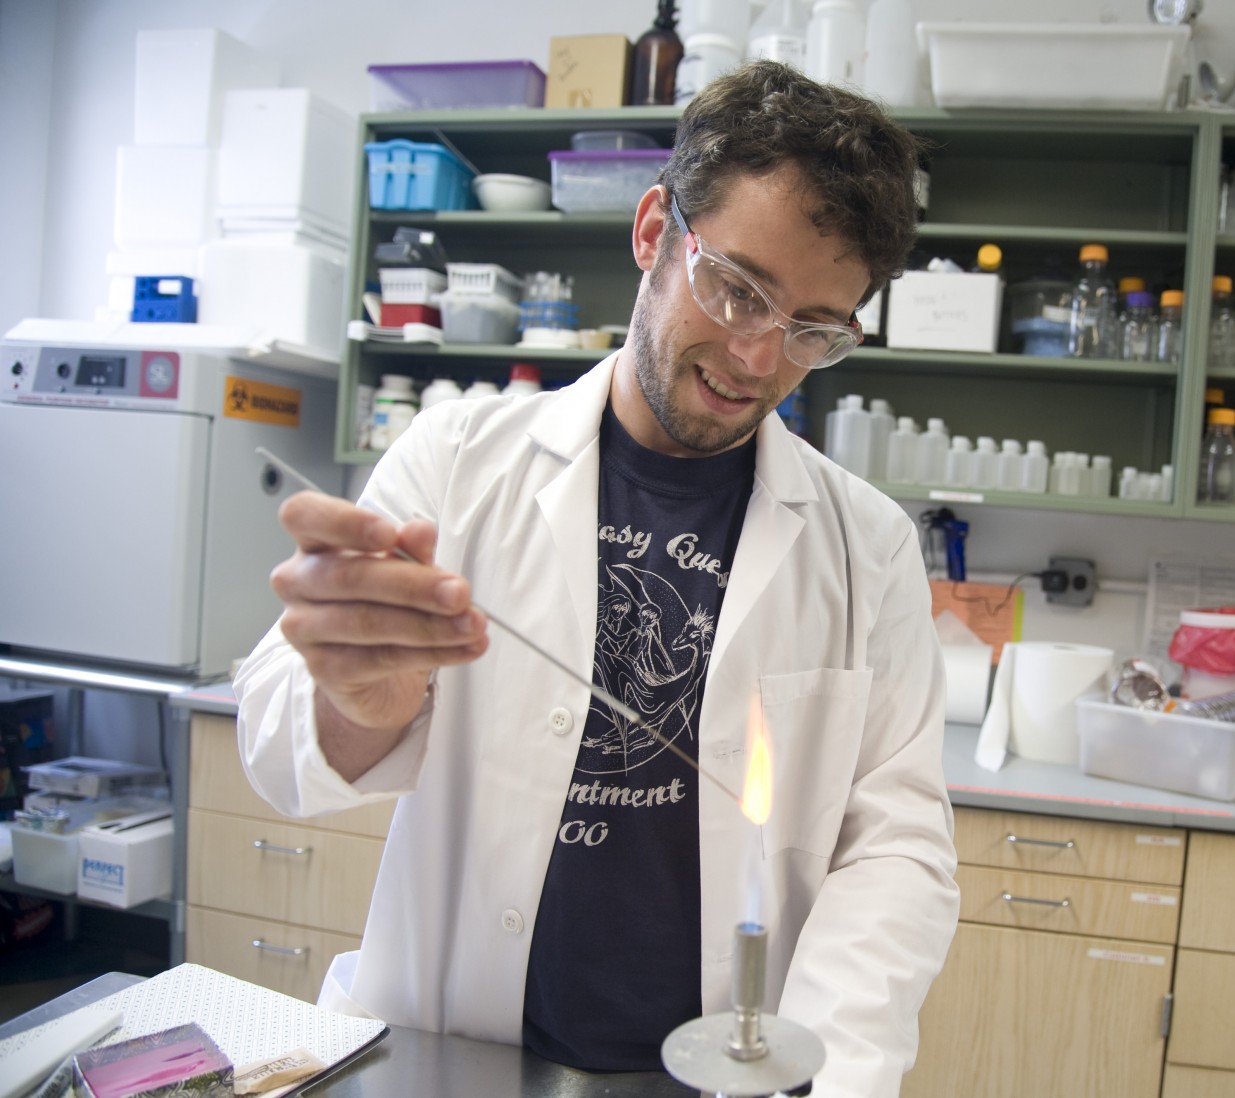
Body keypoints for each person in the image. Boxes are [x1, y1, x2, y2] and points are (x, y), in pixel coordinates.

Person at [234, 60, 959, 1097]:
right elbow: (274, 751)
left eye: (812, 329)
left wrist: (827, 1077)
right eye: (738, 289)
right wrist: (360, 705)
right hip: (457, 1055)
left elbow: (896, 849)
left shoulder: (867, 547)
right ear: (655, 231)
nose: (758, 357)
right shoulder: (455, 463)